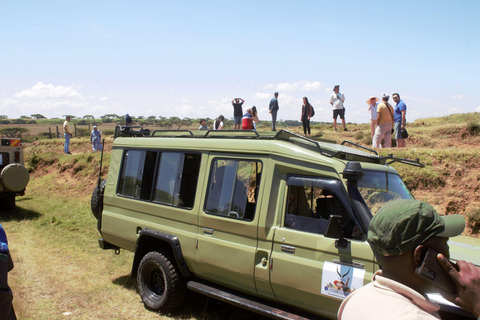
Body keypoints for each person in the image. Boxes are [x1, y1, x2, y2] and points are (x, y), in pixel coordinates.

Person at [338, 199, 480, 320]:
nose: (448, 253)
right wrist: (477, 304)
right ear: (420, 256)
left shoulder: (354, 300)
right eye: (445, 243)